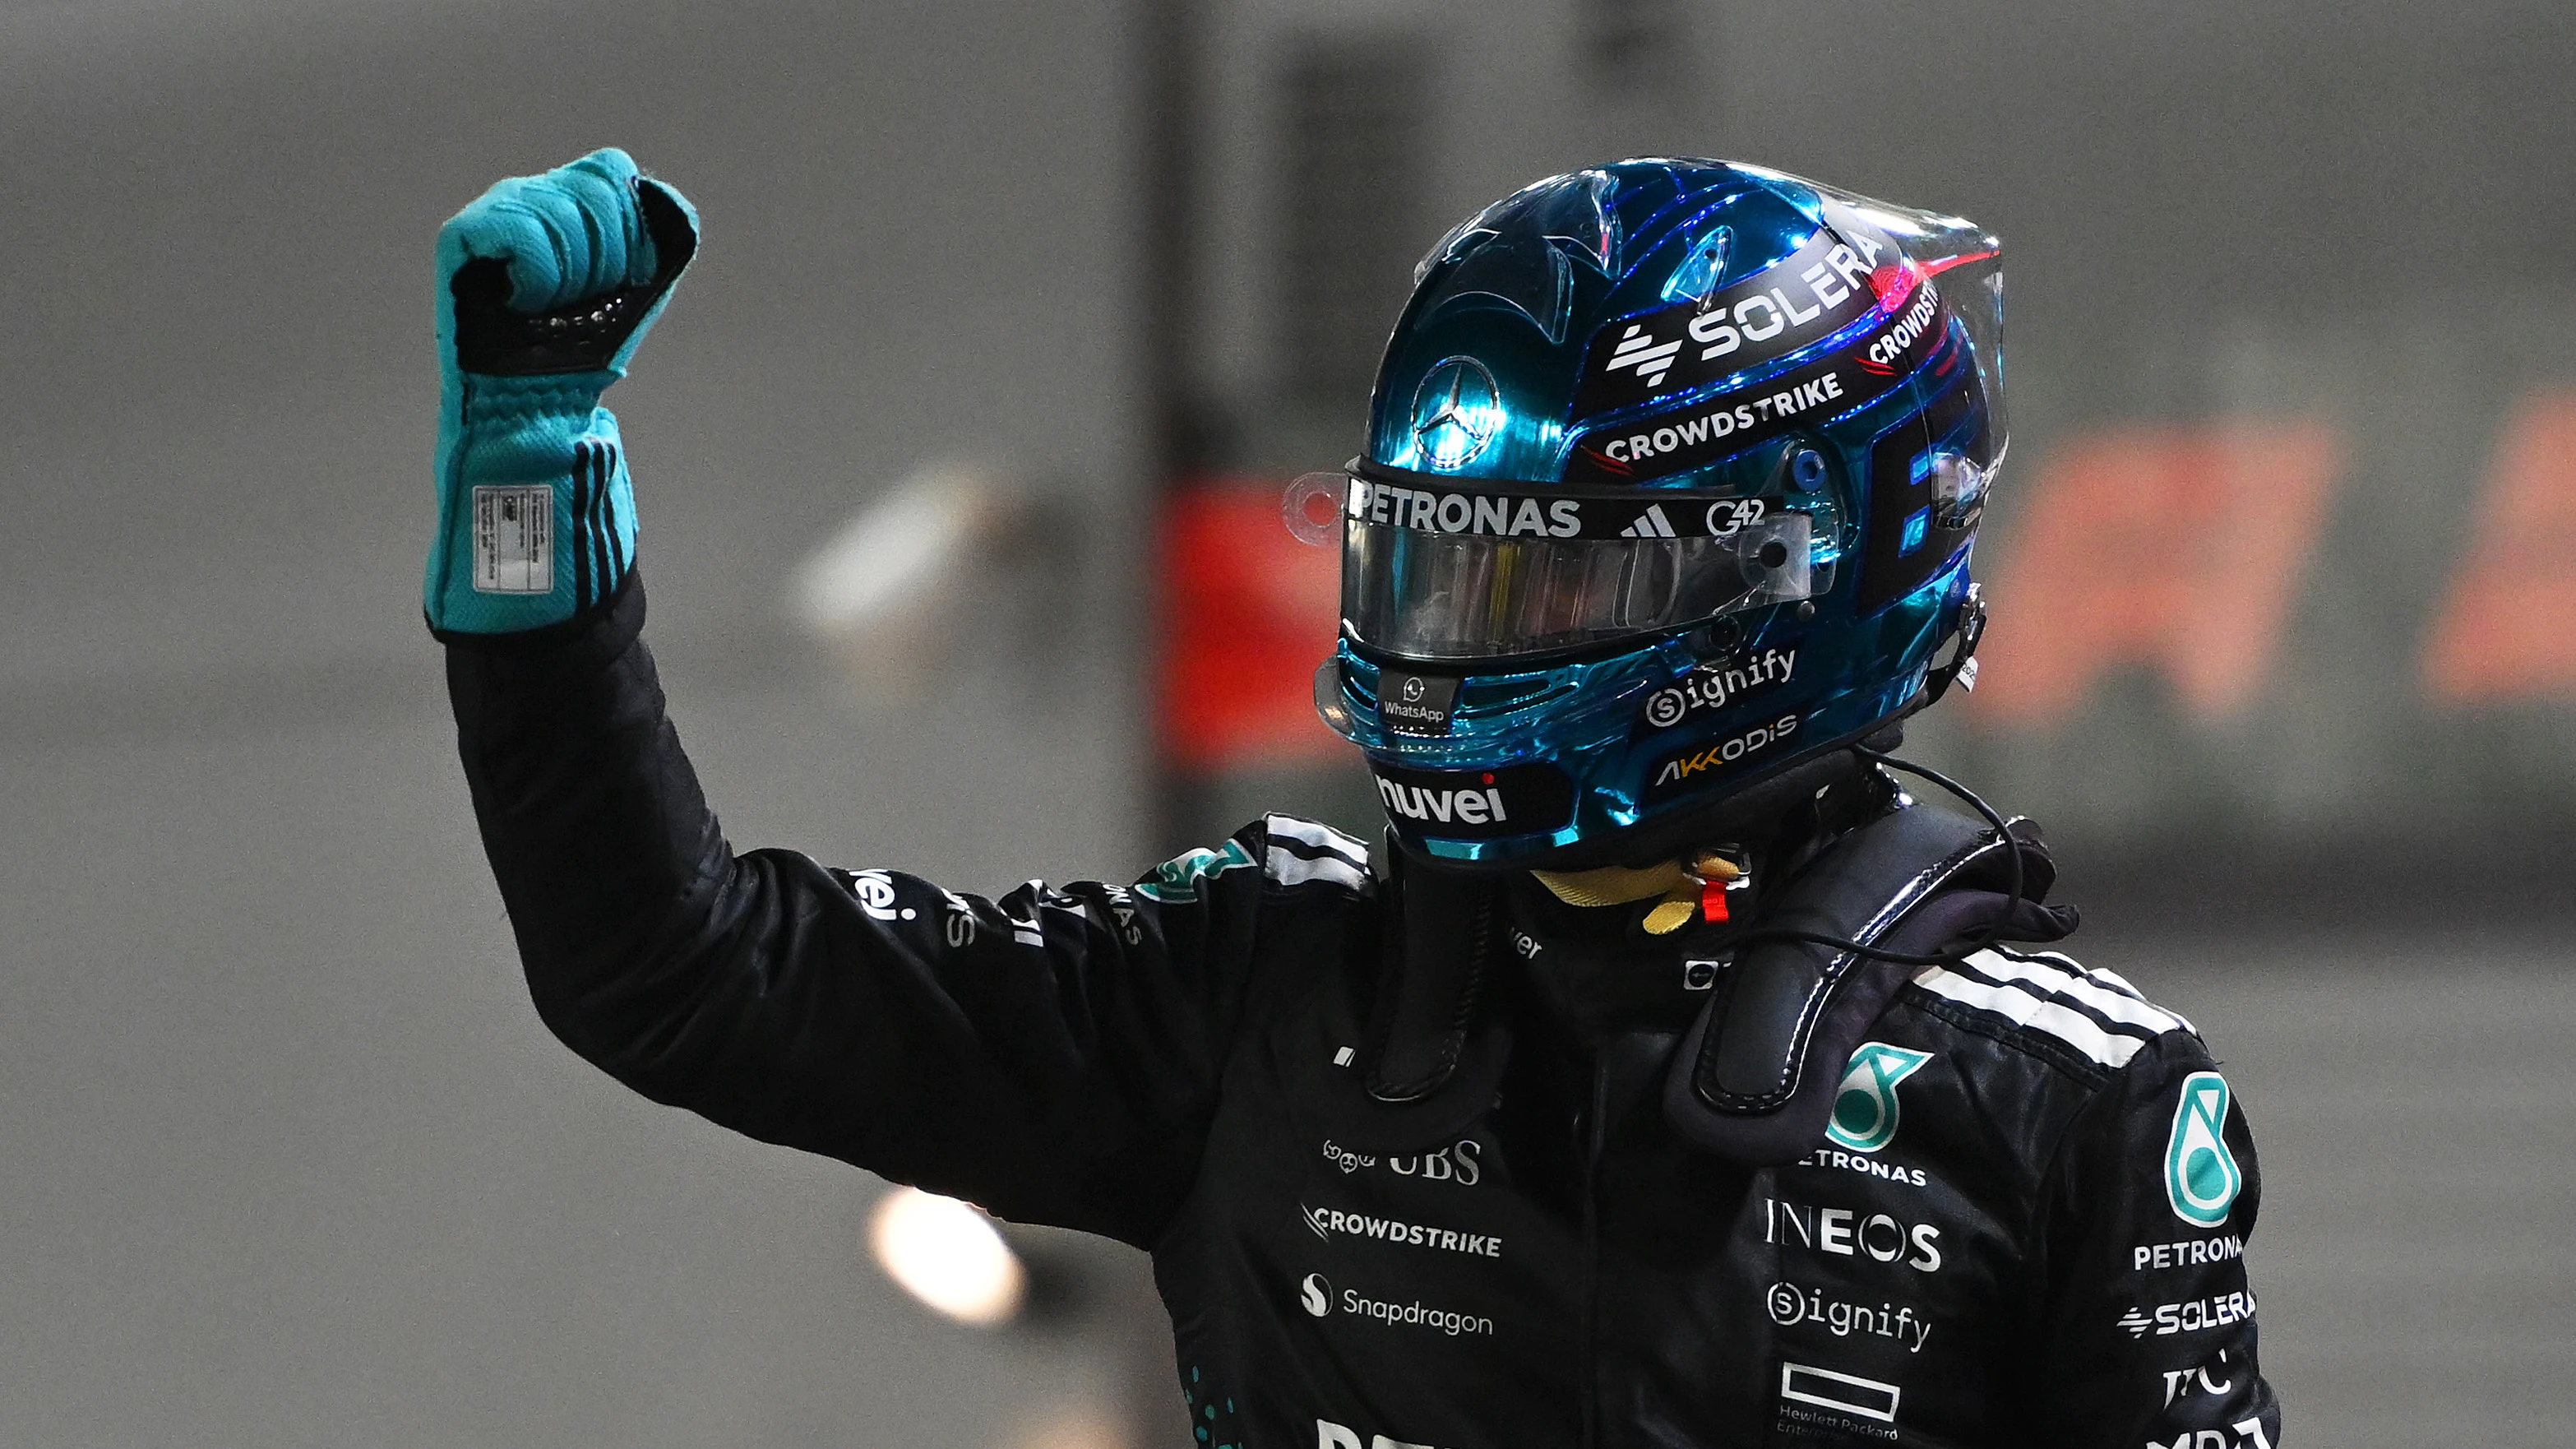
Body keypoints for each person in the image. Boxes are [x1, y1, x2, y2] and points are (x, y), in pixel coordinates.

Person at [431, 150, 2280, 1448]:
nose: (1466, 639)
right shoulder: (1258, 981)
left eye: (1547, 580)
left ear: (1791, 576)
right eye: (1434, 567)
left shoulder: (2067, 1102)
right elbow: (675, 970)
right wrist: (535, 505)